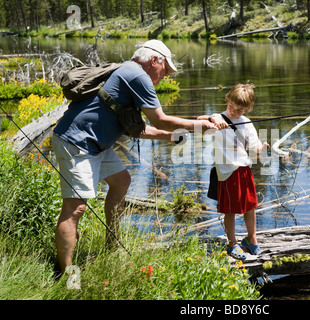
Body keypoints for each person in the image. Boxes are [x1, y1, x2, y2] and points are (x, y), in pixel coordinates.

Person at [52, 39, 217, 273]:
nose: (165, 76)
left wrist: (169, 137)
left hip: (97, 145)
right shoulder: (137, 75)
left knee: (122, 181)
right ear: (154, 60)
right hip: (77, 142)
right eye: (166, 70)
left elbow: (136, 127)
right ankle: (66, 276)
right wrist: (197, 126)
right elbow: (160, 119)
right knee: (75, 208)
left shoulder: (129, 74)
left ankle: (111, 244)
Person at [198, 83, 269, 260]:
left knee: (250, 206)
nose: (234, 112)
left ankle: (251, 239)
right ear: (227, 99)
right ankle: (232, 244)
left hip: (244, 169)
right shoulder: (217, 117)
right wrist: (213, 121)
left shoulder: (247, 123)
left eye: (239, 110)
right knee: (230, 210)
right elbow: (198, 123)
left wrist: (263, 148)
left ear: (247, 109)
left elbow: (255, 146)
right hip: (227, 172)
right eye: (231, 107)